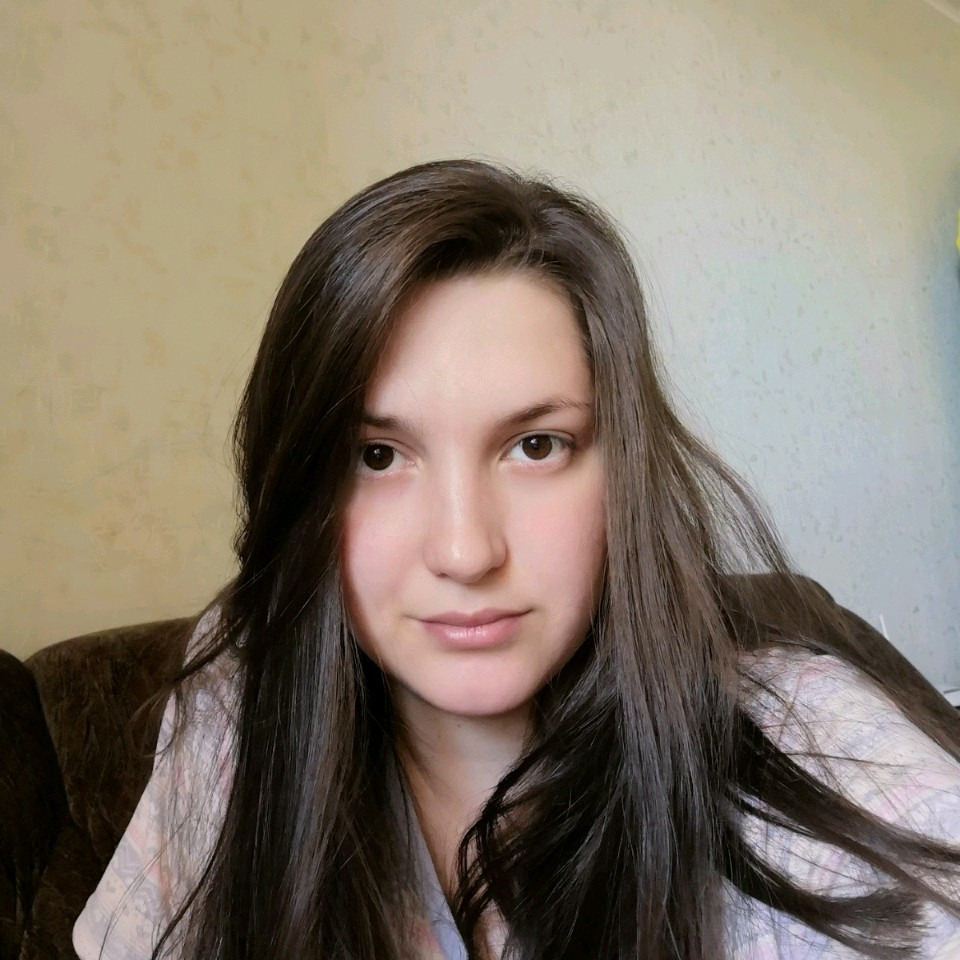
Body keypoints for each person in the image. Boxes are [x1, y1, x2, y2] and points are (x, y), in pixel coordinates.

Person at [73, 159, 960, 960]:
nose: (465, 552)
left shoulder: (814, 748)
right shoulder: (236, 695)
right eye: (377, 456)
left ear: (623, 472)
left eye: (536, 446)